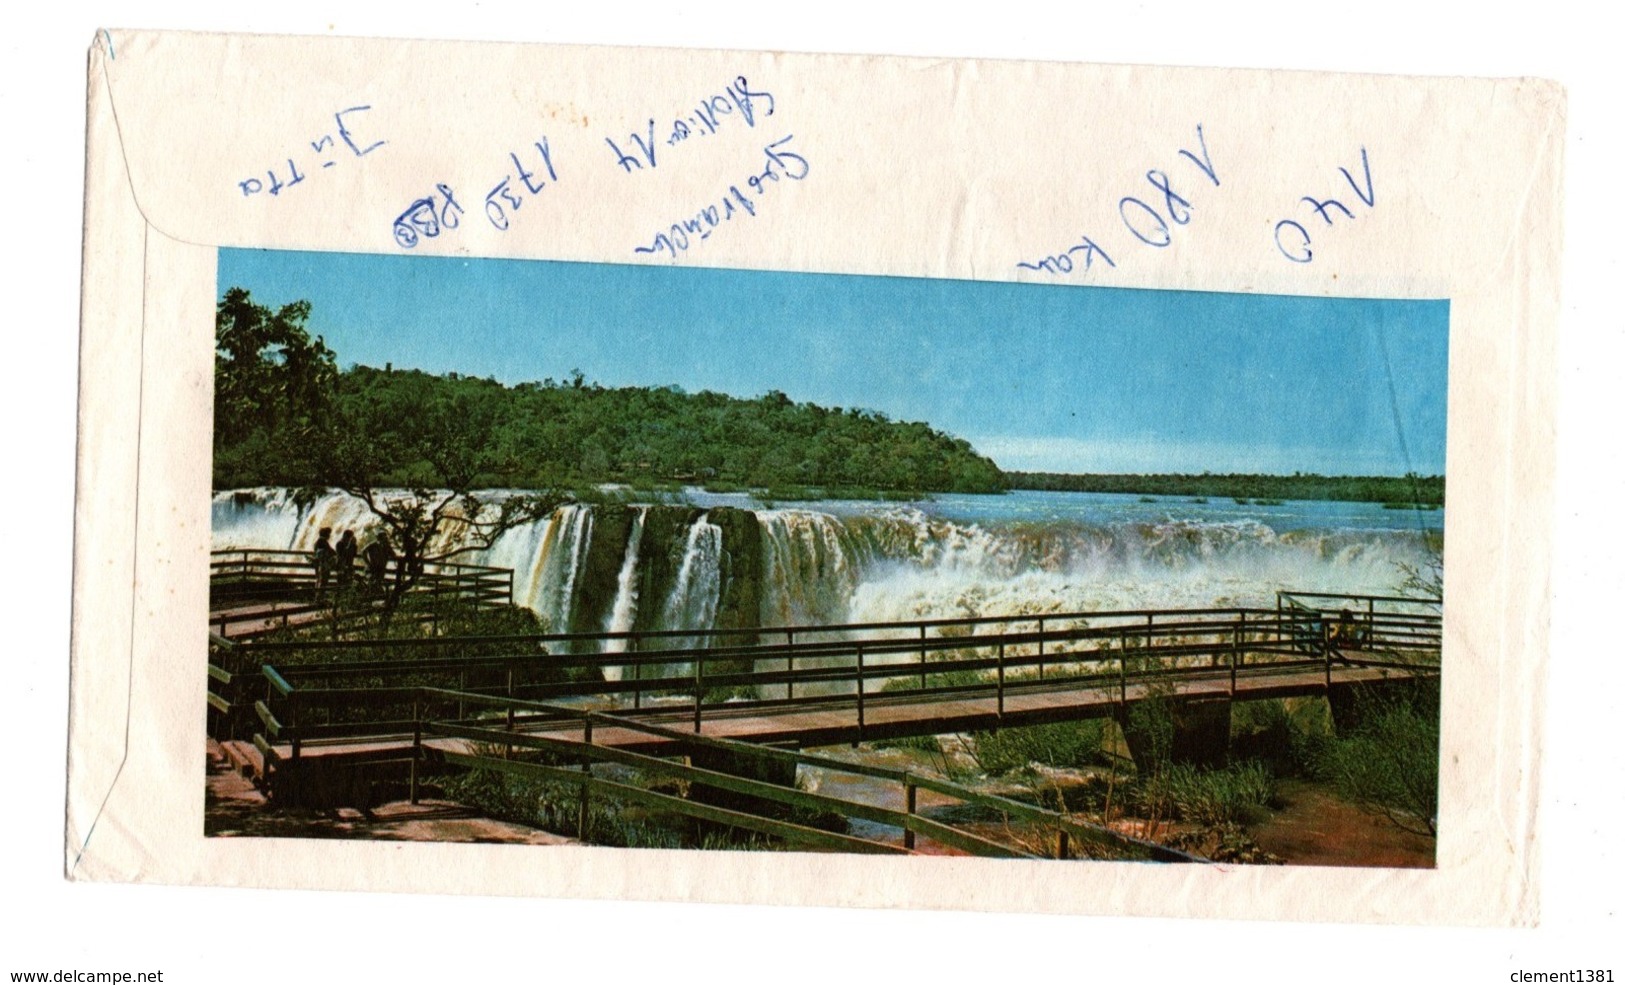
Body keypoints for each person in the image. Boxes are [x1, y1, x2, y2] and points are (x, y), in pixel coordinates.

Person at [311, 527, 336, 602]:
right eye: (329, 534)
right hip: (324, 564)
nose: (330, 536)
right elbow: (331, 551)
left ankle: (318, 597)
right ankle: (320, 598)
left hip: (319, 564)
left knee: (319, 580)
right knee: (323, 581)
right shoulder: (323, 541)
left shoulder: (317, 541)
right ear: (326, 534)